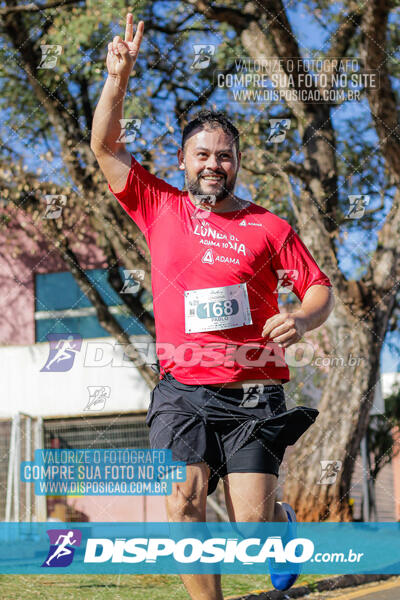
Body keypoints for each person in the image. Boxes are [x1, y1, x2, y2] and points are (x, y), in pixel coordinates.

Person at [90, 14, 335, 599]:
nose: (212, 165)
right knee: (182, 501)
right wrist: (117, 79)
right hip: (182, 388)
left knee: (250, 525)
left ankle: (279, 526)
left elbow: (319, 289)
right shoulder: (160, 207)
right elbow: (103, 145)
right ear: (182, 160)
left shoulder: (268, 226)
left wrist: (301, 317)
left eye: (224, 156)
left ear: (237, 164)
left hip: (253, 389)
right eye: (201, 155)